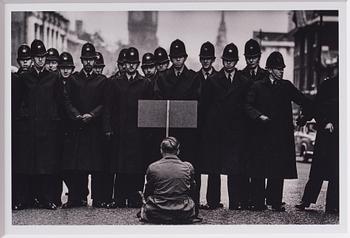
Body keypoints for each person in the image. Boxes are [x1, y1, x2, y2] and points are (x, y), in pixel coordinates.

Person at [245, 51, 312, 211]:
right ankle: (258, 202)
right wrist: (259, 116)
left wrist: (304, 116)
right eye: (278, 68)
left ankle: (275, 202)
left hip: (280, 138)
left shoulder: (286, 86)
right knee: (259, 171)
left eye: (282, 68)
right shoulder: (257, 86)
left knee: (277, 171)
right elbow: (247, 106)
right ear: (269, 69)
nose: (281, 71)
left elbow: (304, 100)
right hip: (261, 136)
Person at [13, 39, 64, 210]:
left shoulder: (53, 78)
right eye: (37, 57)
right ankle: (22, 200)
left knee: (46, 166)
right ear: (33, 58)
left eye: (43, 57)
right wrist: (20, 120)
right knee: (25, 165)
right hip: (27, 129)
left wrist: (55, 121)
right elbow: (16, 102)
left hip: (47, 129)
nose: (40, 60)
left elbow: (59, 102)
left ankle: (47, 199)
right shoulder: (23, 77)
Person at [200, 43, 252, 210]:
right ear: (222, 61)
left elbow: (247, 106)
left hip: (236, 132)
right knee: (214, 168)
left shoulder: (245, 82)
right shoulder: (212, 81)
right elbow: (204, 106)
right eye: (226, 61)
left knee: (234, 169)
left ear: (236, 61)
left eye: (231, 61)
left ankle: (235, 202)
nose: (228, 64)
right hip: (216, 131)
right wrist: (207, 129)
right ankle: (213, 201)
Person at [154, 39, 200, 212]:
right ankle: (164, 201)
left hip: (188, 130)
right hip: (168, 128)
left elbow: (198, 102)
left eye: (180, 57)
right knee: (166, 165)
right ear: (170, 58)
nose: (178, 60)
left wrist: (183, 112)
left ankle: (190, 202)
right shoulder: (162, 77)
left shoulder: (194, 77)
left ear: (185, 58)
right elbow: (157, 98)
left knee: (188, 165)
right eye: (174, 57)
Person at [104, 47, 153, 208]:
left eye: (134, 63)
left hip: (138, 132)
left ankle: (135, 198)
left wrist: (147, 133)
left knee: (137, 167)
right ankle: (119, 198)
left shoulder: (145, 83)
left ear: (138, 64)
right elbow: (108, 108)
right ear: (125, 64)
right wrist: (108, 128)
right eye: (129, 63)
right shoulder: (115, 83)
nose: (131, 66)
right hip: (120, 131)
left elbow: (149, 110)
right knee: (120, 166)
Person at [62, 42, 107, 208]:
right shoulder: (74, 79)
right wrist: (77, 115)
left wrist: (93, 115)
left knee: (96, 166)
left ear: (95, 60)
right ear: (81, 60)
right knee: (78, 166)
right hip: (78, 127)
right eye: (85, 59)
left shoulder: (102, 81)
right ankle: (77, 197)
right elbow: (67, 101)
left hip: (95, 128)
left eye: (91, 59)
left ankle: (99, 198)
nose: (88, 62)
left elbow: (105, 103)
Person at [295, 56, 339, 214]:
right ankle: (306, 200)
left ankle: (334, 205)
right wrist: (324, 121)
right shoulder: (328, 85)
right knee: (318, 170)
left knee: (338, 171)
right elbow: (317, 106)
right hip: (326, 135)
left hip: (341, 136)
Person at [139, 137, 200, 224]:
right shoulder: (188, 167)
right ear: (178, 151)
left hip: (157, 211)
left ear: (161, 150)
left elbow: (148, 191)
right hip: (183, 211)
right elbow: (192, 191)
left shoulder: (153, 167)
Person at [194, 41, 222, 210]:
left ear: (213, 59)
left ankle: (213, 200)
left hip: (214, 129)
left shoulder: (219, 78)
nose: (205, 61)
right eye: (203, 58)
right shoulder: (193, 78)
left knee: (214, 167)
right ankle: (194, 200)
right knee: (196, 167)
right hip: (197, 129)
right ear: (200, 59)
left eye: (208, 58)